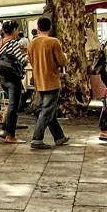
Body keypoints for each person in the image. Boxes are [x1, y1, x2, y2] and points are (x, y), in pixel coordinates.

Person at [28, 17, 69, 149]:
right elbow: (61, 61)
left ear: (38, 28)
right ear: (50, 27)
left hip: (39, 81)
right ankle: (37, 138)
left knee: (48, 110)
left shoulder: (32, 43)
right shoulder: (53, 42)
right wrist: (66, 57)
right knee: (46, 111)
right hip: (51, 80)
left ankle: (59, 137)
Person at [0, 21, 28, 144]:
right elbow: (21, 61)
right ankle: (10, 134)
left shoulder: (1, 43)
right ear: (14, 30)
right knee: (14, 106)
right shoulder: (13, 43)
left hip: (3, 77)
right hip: (12, 77)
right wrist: (27, 57)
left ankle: (5, 128)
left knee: (11, 104)